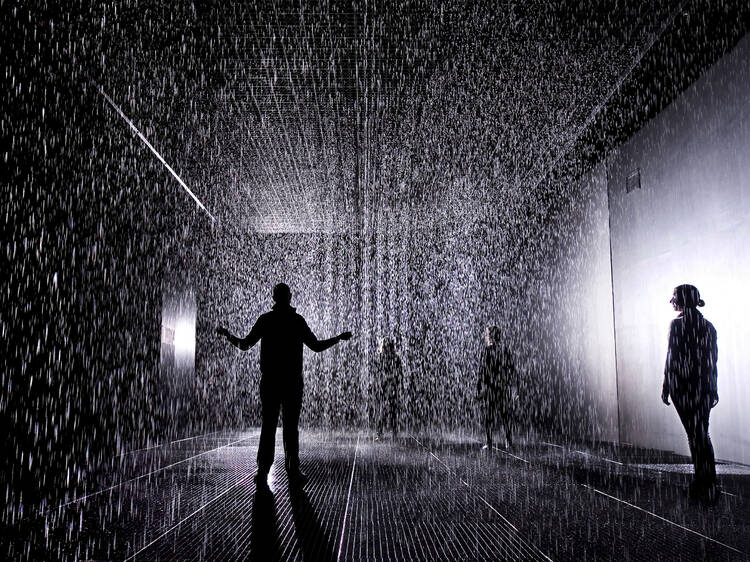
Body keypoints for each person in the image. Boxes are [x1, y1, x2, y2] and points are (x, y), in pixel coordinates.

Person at [217, 282, 352, 488]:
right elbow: (315, 347)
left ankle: (263, 470)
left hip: (270, 381)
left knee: (268, 426)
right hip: (292, 382)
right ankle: (293, 469)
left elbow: (245, 345)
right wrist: (338, 339)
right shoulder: (297, 321)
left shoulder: (266, 320)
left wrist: (228, 336)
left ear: (274, 297)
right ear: (289, 297)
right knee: (291, 427)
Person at [661, 284, 718, 503]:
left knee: (694, 434)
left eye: (674, 297)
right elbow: (712, 362)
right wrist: (713, 387)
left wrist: (666, 385)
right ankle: (708, 481)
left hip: (682, 386)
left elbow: (671, 357)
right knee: (702, 432)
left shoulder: (677, 325)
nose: (671, 301)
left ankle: (702, 483)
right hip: (702, 387)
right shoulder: (708, 326)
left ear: (681, 301)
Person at [477, 325, 517, 450]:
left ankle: (489, 443)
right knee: (505, 415)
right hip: (502, 387)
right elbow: (512, 369)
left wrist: (480, 387)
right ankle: (508, 441)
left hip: (491, 388)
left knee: (489, 416)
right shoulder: (504, 350)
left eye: (487, 334)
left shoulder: (487, 350)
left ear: (490, 336)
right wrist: (513, 386)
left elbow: (482, 370)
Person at [371, 338, 403, 440]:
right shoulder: (394, 358)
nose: (387, 348)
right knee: (389, 411)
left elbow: (376, 373)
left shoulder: (391, 358)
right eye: (386, 346)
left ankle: (382, 434)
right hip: (385, 387)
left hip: (386, 387)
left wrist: (389, 380)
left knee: (385, 411)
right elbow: (399, 374)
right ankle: (392, 434)